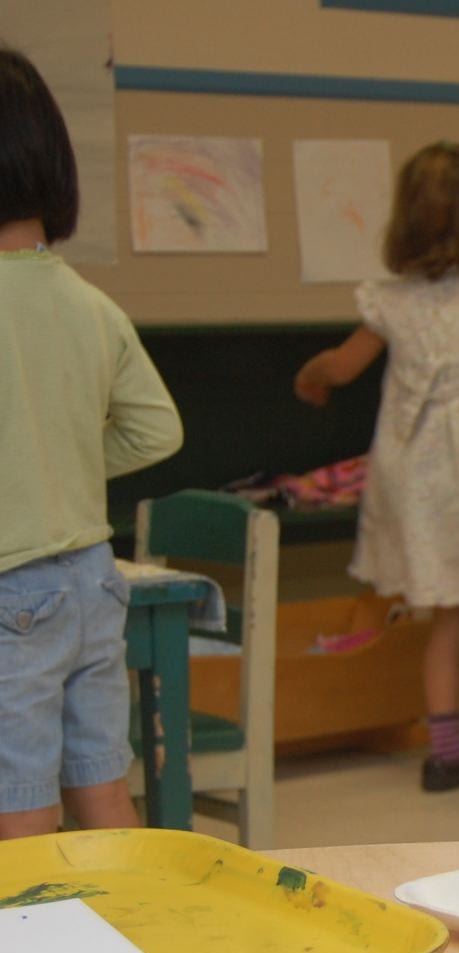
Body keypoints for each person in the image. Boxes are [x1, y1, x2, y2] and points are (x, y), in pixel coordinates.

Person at [295, 142, 459, 792]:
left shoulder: (389, 303)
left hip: (410, 473)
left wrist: (310, 377)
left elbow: (341, 367)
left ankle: (445, 744)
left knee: (443, 611)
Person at [0, 47, 183, 841]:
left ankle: (33, 931)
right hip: (93, 580)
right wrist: (60, 464)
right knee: (103, 790)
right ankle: (130, 917)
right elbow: (157, 429)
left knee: (19, 807)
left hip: (11, 592)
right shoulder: (90, 302)